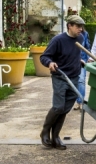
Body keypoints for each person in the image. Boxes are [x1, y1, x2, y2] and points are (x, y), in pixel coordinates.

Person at [39, 15, 86, 150]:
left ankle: (56, 137)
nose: (80, 29)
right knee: (58, 107)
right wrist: (50, 63)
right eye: (78, 26)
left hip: (74, 77)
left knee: (65, 109)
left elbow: (74, 55)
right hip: (60, 76)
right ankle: (45, 132)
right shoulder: (58, 40)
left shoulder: (80, 38)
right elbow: (44, 56)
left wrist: (79, 62)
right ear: (69, 26)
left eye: (81, 27)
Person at [73, 26, 91, 110]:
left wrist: (88, 58)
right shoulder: (68, 35)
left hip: (82, 61)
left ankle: (80, 102)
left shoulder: (84, 34)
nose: (79, 28)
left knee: (81, 80)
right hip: (71, 61)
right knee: (74, 81)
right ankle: (75, 100)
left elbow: (87, 47)